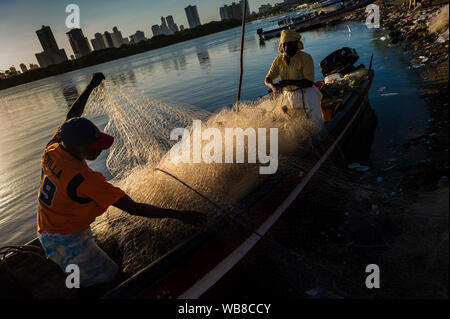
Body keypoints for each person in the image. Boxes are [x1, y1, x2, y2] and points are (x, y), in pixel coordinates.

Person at [37, 73, 206, 288]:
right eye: (94, 146)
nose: (100, 149)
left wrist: (90, 86)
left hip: (51, 224)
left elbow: (72, 116)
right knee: (110, 281)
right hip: (65, 240)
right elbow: (134, 208)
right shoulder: (85, 180)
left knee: (89, 276)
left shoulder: (53, 148)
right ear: (77, 147)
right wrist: (181, 215)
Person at [265, 30, 324, 127]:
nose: (286, 48)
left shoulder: (306, 58)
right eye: (284, 45)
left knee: (314, 125)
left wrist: (287, 82)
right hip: (288, 97)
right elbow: (268, 78)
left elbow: (309, 82)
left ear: (296, 44)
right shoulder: (278, 60)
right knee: (295, 125)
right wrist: (273, 87)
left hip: (307, 95)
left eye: (290, 44)